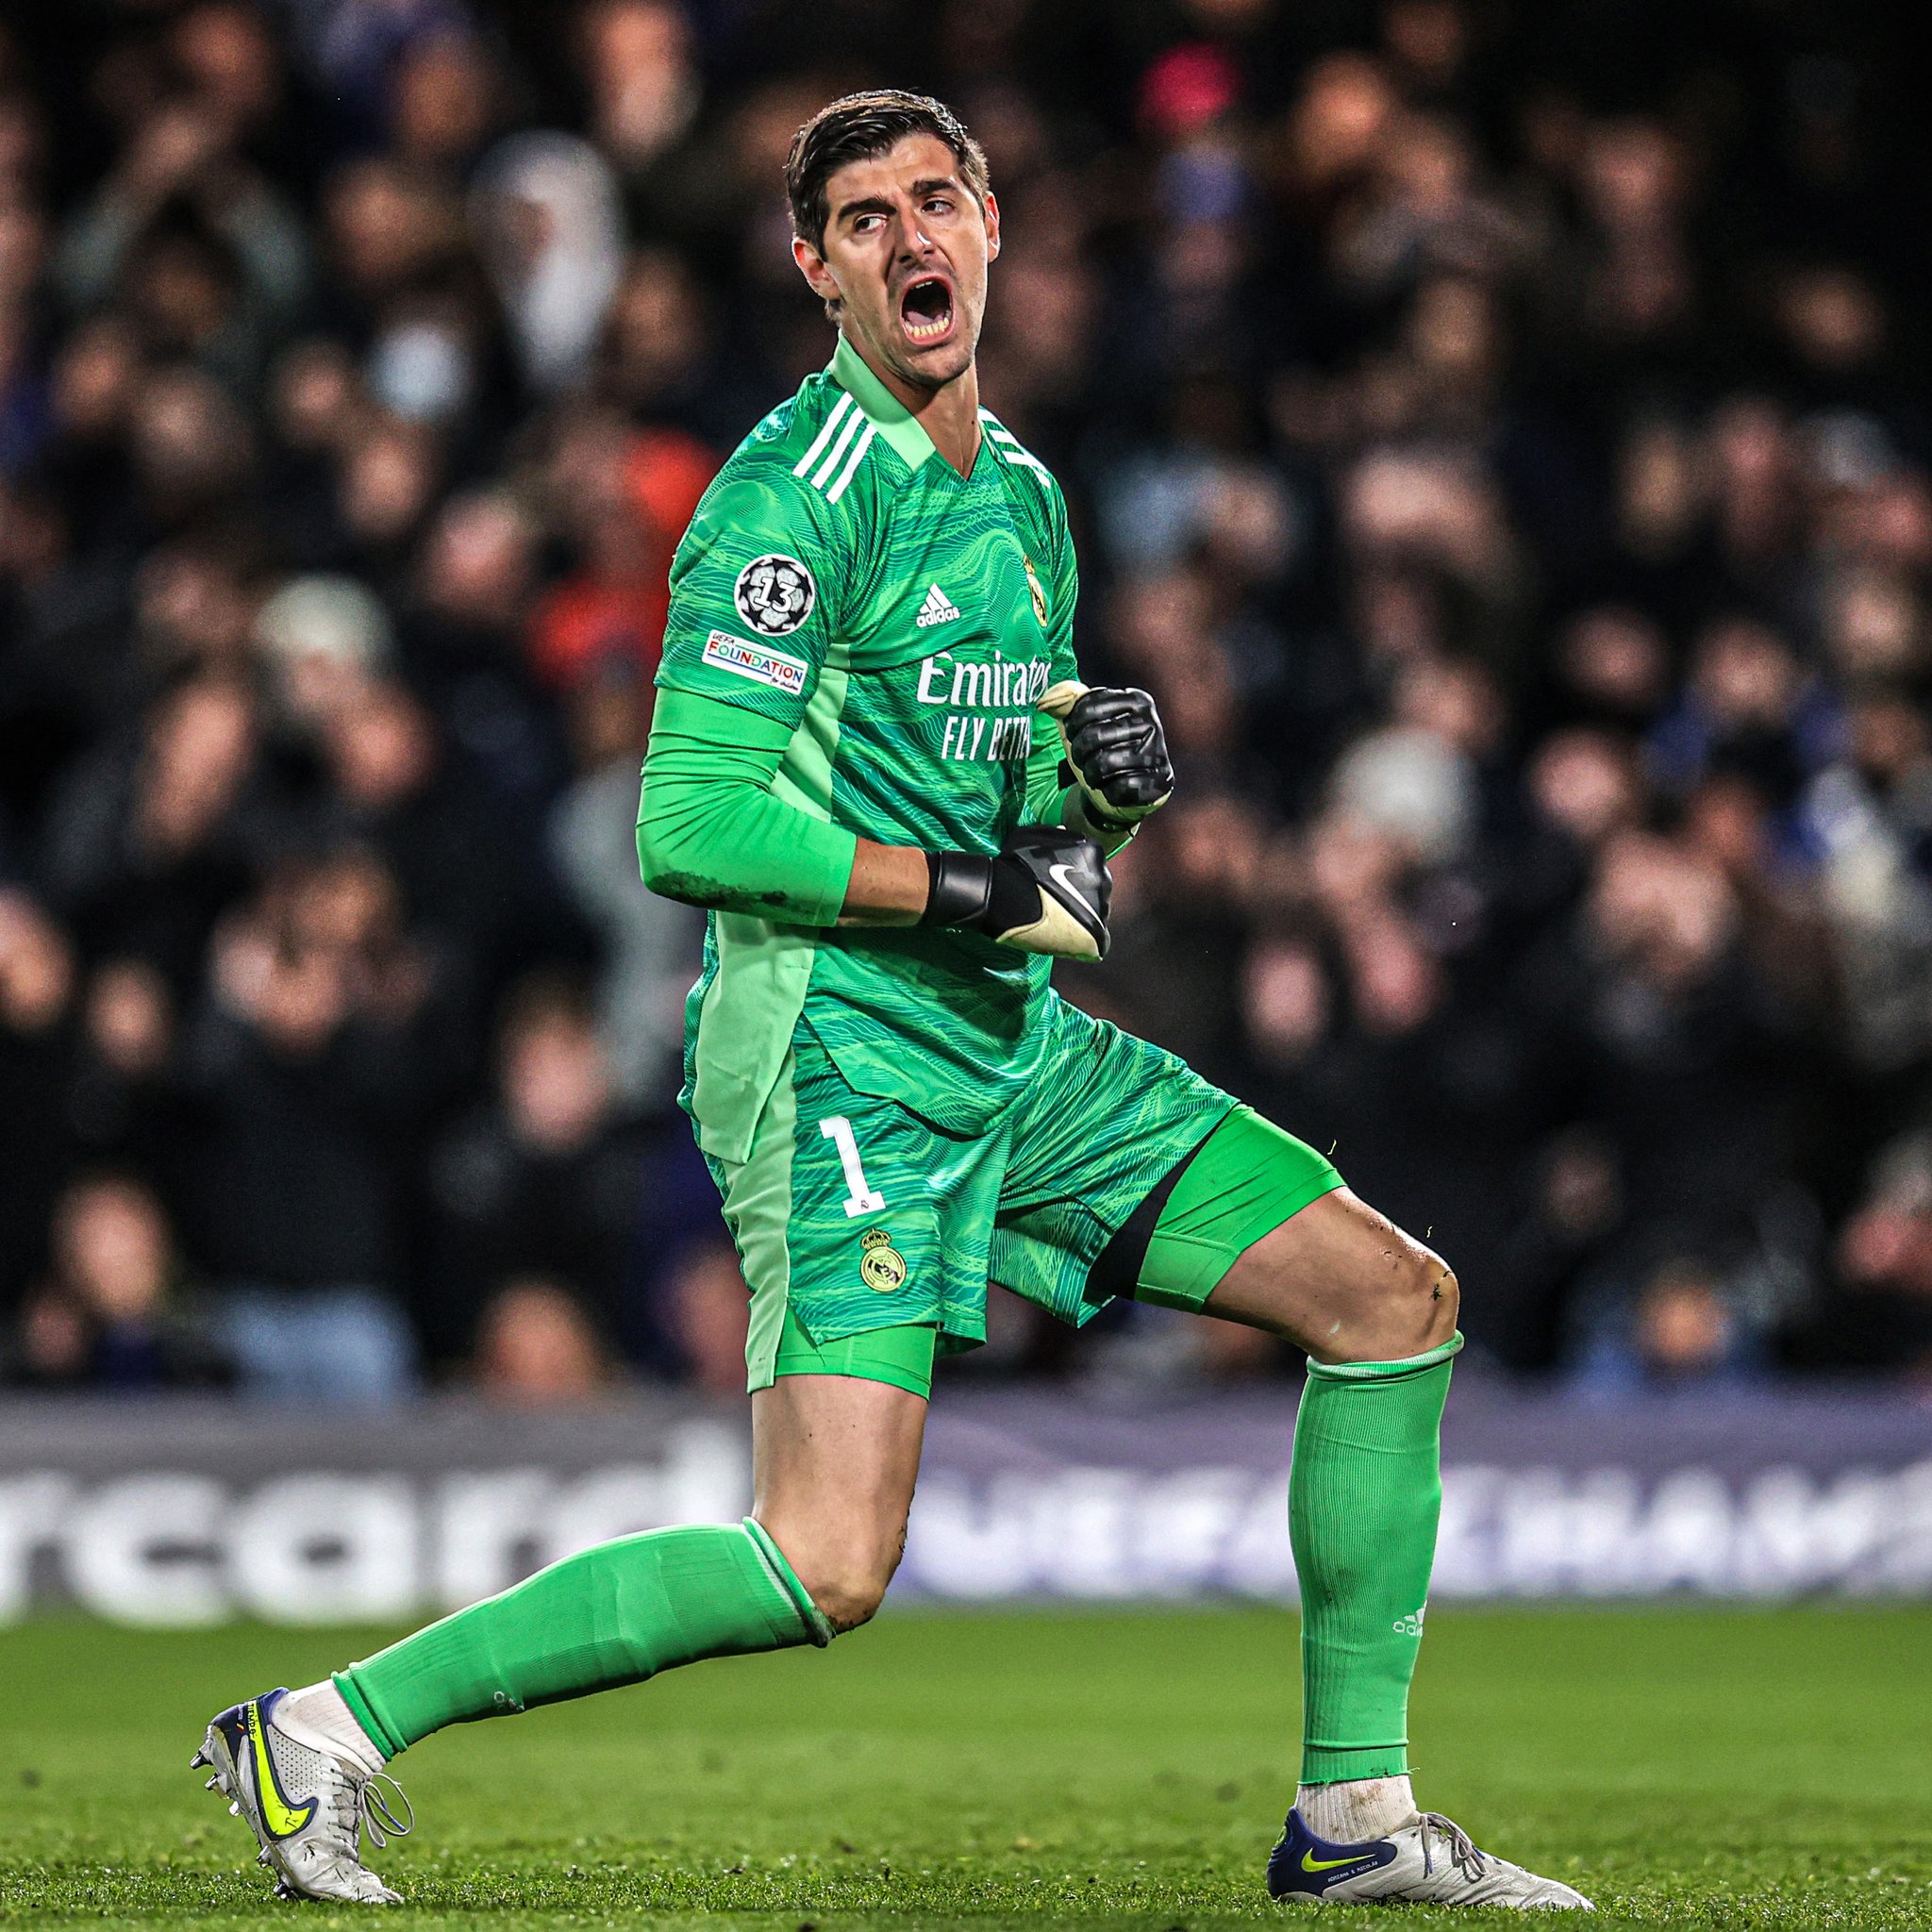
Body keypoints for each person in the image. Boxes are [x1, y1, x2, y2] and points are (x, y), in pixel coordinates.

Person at [192, 92, 1590, 1911]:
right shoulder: (787, 503)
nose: (909, 240)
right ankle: (323, 1730)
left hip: (1013, 1038)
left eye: (937, 202)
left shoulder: (1020, 499)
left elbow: (1039, 842)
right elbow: (686, 818)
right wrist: (976, 886)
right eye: (864, 220)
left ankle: (1355, 1821)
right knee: (828, 1562)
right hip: (840, 1044)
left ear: (993, 226)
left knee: (1389, 1301)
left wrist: (1104, 793)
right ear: (817, 269)